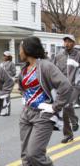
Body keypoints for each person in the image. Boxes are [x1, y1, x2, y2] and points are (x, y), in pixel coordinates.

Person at [18, 36, 72, 165]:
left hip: (42, 115)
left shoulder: (45, 66)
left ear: (27, 49)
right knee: (26, 157)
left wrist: (54, 107)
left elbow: (65, 86)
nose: (19, 52)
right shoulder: (24, 69)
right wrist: (26, 98)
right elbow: (22, 88)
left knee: (34, 154)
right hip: (26, 114)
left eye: (20, 49)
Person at [53, 34, 80, 143]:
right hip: (62, 86)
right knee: (64, 110)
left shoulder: (78, 55)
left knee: (67, 104)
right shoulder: (59, 56)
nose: (67, 43)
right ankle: (68, 134)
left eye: (69, 41)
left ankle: (74, 121)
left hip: (75, 85)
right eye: (65, 41)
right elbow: (53, 70)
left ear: (73, 43)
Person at [0, 51, 16, 116]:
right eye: (3, 55)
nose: (3, 57)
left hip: (8, 82)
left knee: (7, 96)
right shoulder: (1, 63)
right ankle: (1, 110)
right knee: (1, 96)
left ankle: (7, 111)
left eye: (5, 55)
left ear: (8, 56)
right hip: (1, 82)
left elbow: (14, 73)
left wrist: (6, 74)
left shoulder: (11, 64)